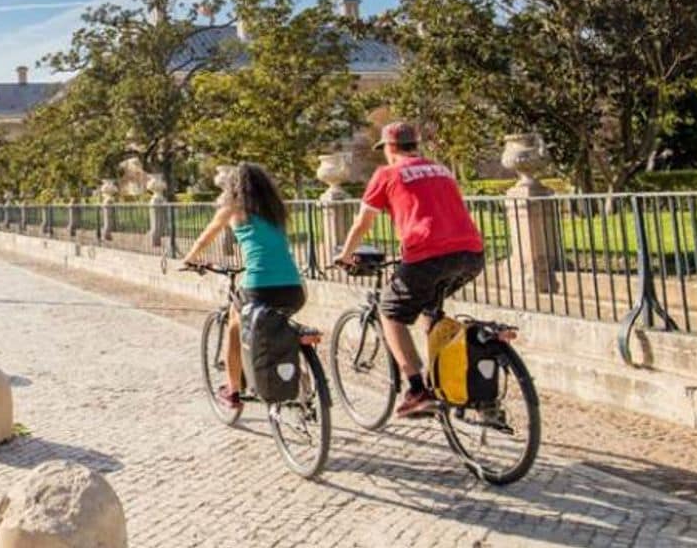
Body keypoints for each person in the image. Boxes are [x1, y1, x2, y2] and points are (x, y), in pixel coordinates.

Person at [336, 122, 485, 417]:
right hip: (471, 253)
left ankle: (417, 389)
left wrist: (345, 254)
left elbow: (363, 222)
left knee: (389, 312)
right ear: (415, 145)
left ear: (389, 148)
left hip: (427, 255)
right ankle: (444, 378)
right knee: (430, 310)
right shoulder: (442, 170)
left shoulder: (387, 173)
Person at [180, 163, 305, 411]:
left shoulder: (233, 208)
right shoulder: (276, 211)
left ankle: (233, 390)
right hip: (293, 286)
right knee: (279, 327)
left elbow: (207, 236)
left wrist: (189, 258)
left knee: (234, 332)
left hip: (259, 285)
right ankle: (305, 384)